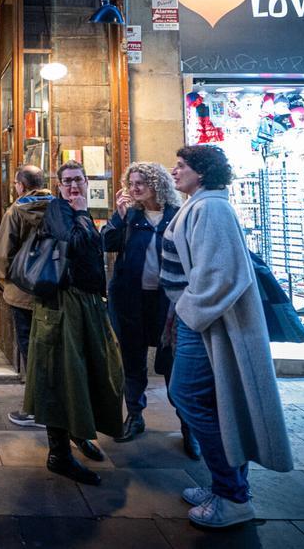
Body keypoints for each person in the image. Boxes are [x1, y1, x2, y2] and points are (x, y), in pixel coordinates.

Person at [161, 144, 292, 529]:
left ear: (201, 172)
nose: (175, 170)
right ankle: (227, 485)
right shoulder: (201, 204)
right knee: (215, 402)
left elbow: (221, 274)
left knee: (187, 395)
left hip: (204, 321)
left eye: (181, 165)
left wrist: (186, 312)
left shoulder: (211, 208)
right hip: (198, 319)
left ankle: (232, 496)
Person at [22, 161, 124, 486]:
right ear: (58, 184)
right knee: (62, 375)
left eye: (78, 179)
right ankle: (58, 455)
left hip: (86, 303)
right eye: (67, 181)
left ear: (86, 180)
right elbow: (74, 244)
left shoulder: (80, 208)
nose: (73, 186)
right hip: (62, 306)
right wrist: (82, 214)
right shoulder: (58, 208)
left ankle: (79, 433)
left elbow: (100, 247)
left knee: (88, 373)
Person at [101, 162, 198, 458]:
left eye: (141, 182)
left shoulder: (178, 215)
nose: (135, 188)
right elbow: (106, 242)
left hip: (168, 302)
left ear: (158, 184)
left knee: (173, 363)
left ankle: (188, 426)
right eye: (131, 183)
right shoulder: (130, 216)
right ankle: (135, 415)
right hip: (131, 299)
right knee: (132, 360)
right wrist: (117, 217)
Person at [0, 164, 54, 427]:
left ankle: (36, 408)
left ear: (21, 185)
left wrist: (2, 279)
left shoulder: (16, 210)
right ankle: (54, 404)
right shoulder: (58, 207)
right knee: (51, 349)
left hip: (21, 290)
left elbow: (4, 252)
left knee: (29, 349)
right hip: (52, 289)